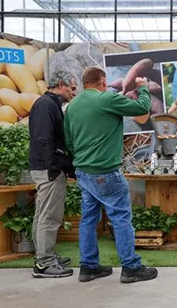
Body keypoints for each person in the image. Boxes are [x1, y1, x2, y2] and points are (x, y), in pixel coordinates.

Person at [64, 66, 158, 284]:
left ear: (84, 82)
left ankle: (88, 267)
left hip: (83, 172)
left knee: (88, 219)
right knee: (121, 218)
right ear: (103, 82)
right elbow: (143, 107)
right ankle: (131, 267)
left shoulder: (72, 106)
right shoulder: (106, 99)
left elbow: (68, 141)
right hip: (106, 172)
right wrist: (143, 88)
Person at [29, 71, 78, 278]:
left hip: (45, 167)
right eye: (72, 88)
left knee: (42, 215)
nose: (74, 92)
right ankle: (44, 263)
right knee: (49, 217)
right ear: (61, 85)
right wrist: (54, 166)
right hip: (47, 169)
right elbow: (42, 139)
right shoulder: (45, 105)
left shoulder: (50, 104)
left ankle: (43, 256)